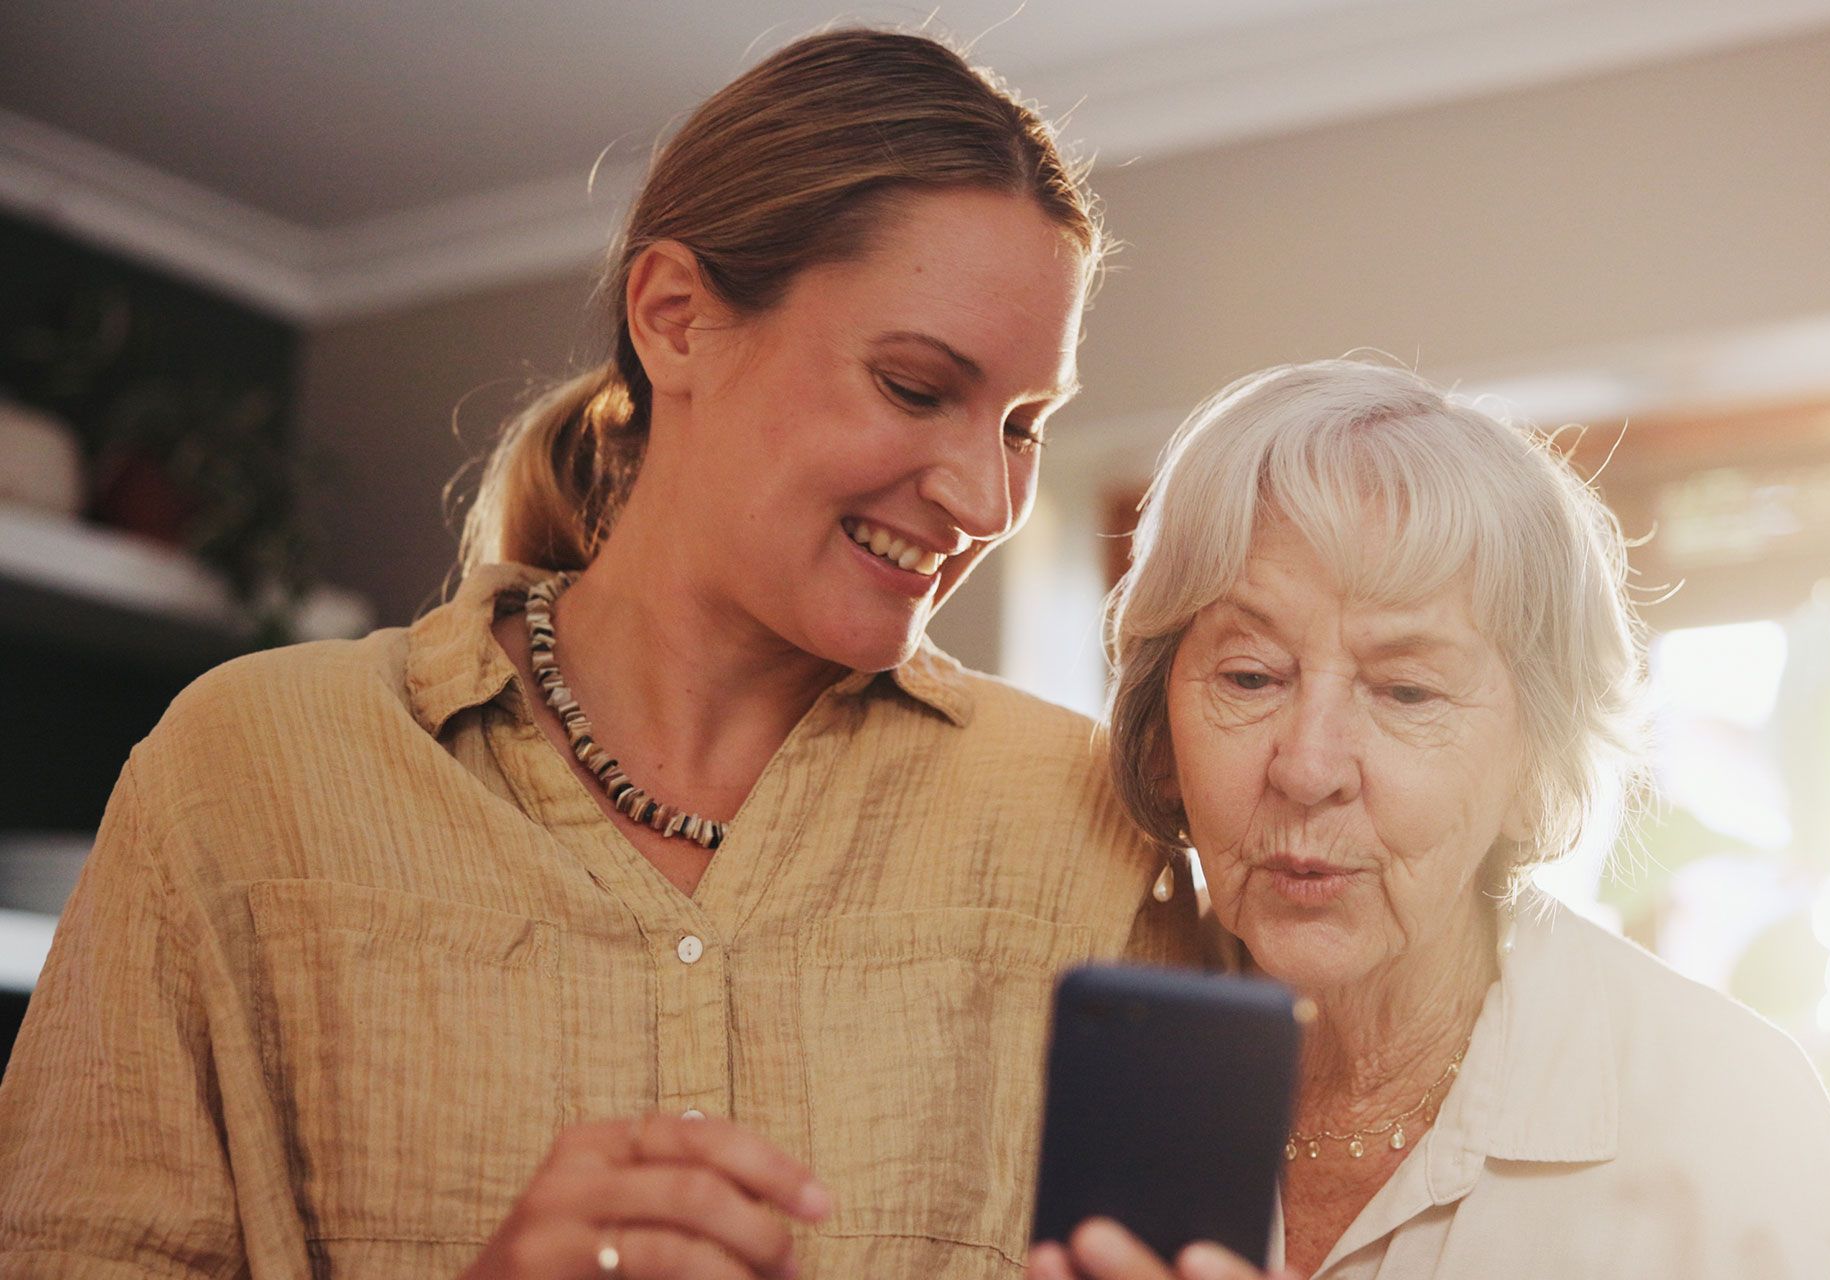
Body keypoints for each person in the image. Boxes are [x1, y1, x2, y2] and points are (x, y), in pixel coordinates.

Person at [0, 30, 1206, 1280]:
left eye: (1024, 425)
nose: (985, 495)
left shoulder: (1087, 824)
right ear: (674, 318)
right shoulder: (247, 768)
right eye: (913, 386)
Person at [1029, 360, 1830, 1280]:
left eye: (1406, 690)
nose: (1309, 767)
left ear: (1537, 766)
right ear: (1160, 734)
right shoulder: (1067, 1061)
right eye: (1250, 676)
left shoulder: (1725, 1112)